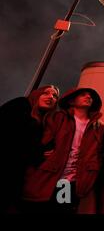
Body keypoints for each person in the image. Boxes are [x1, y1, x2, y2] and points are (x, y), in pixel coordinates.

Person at [22, 87, 104, 214]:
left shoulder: (98, 126)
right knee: (36, 207)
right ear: (71, 101)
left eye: (90, 96)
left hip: (68, 181)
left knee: (61, 209)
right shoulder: (57, 117)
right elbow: (42, 140)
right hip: (47, 174)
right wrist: (41, 152)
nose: (88, 97)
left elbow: (99, 152)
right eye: (83, 95)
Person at [0, 85, 59, 213]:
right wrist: (37, 152)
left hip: (15, 173)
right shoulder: (20, 105)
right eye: (46, 93)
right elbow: (10, 136)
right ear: (36, 95)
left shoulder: (45, 121)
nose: (51, 97)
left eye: (55, 96)